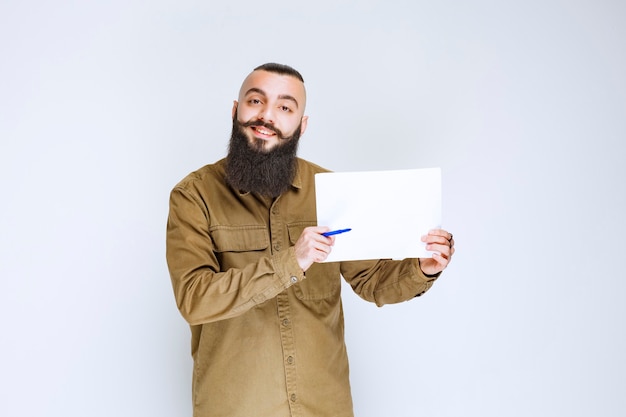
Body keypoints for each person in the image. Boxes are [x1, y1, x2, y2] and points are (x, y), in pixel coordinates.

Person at [166, 62, 455, 417]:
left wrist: (422, 269)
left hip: (324, 406)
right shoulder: (194, 196)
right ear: (235, 110)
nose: (267, 116)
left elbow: (371, 282)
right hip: (237, 407)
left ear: (301, 125)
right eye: (256, 101)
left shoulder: (331, 192)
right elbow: (194, 299)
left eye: (285, 107)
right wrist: (292, 261)